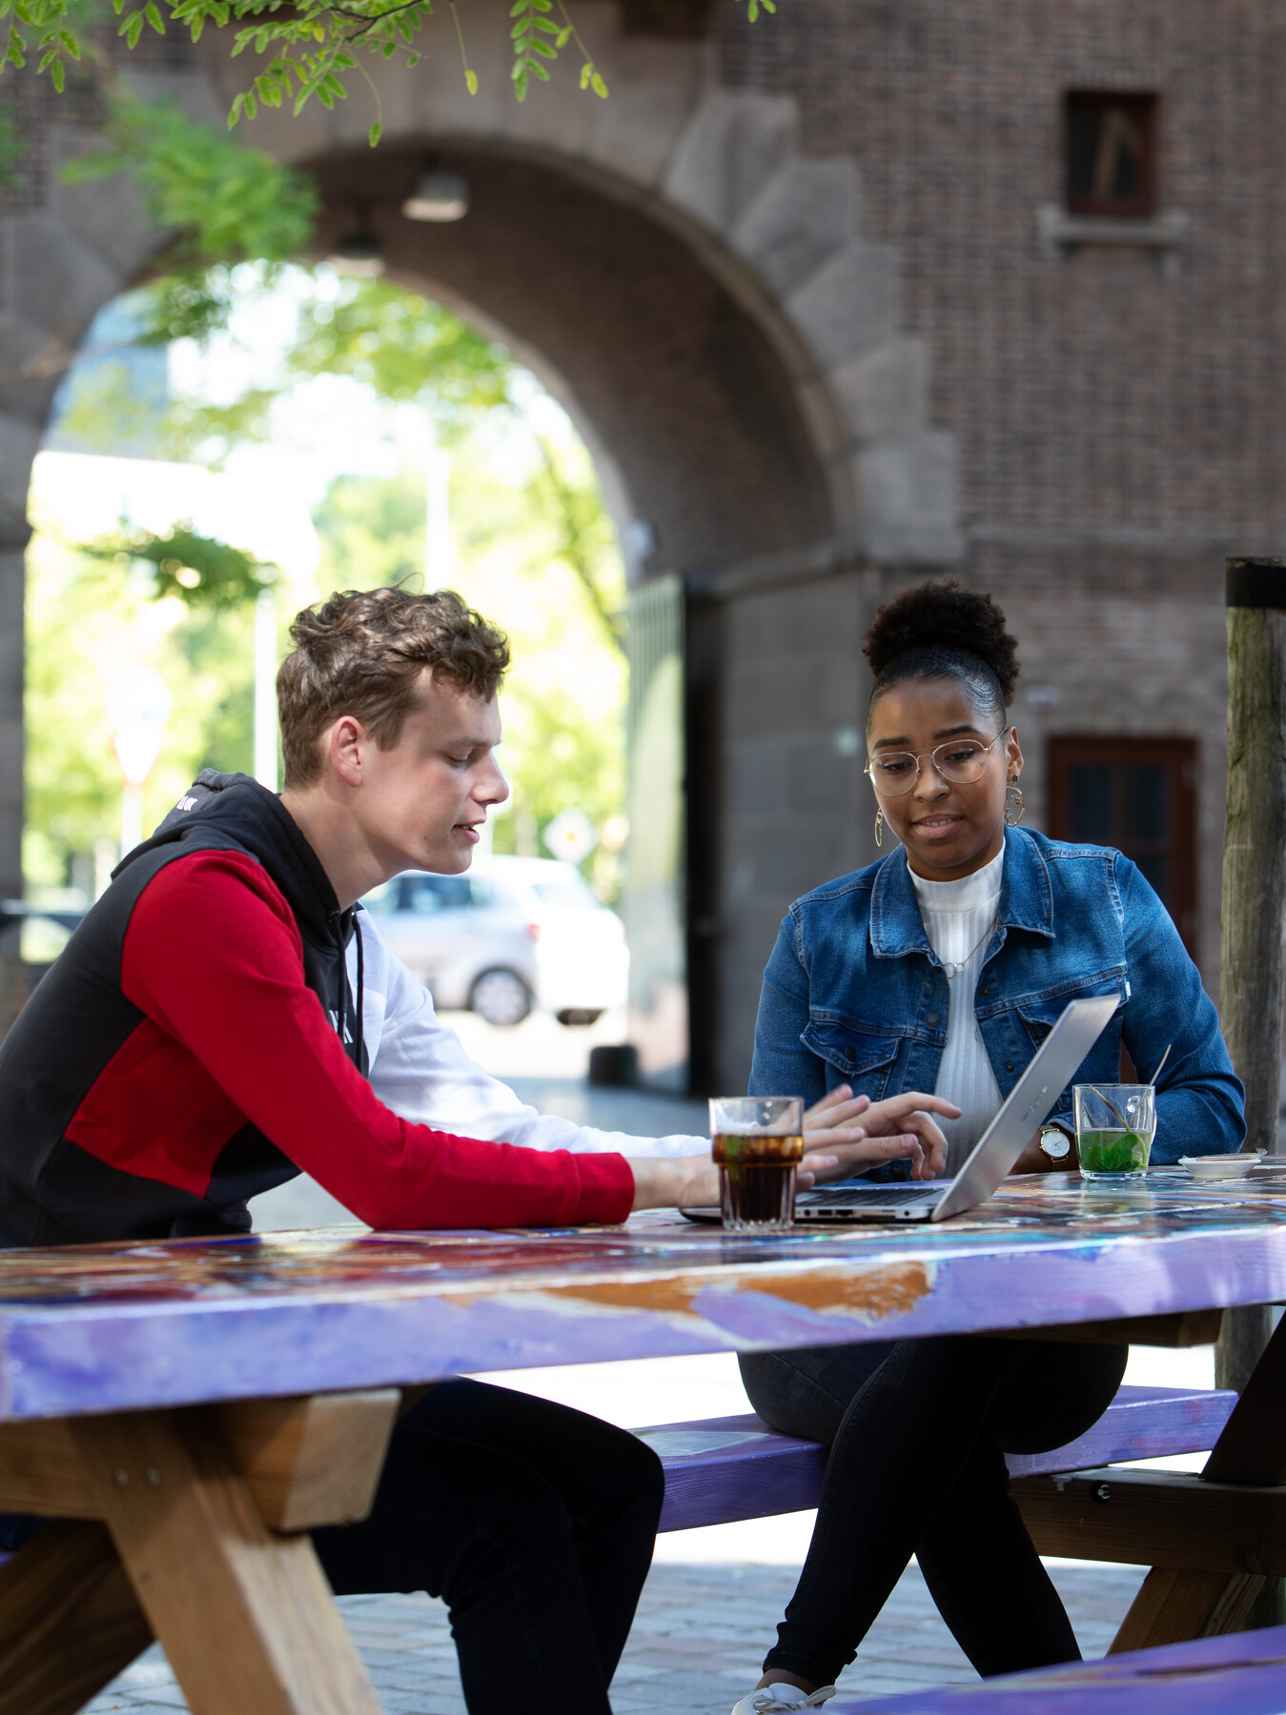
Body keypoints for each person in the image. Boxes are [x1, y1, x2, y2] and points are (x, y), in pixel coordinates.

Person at [0, 585, 956, 1715]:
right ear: (349, 747)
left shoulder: (339, 942)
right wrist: (698, 1174)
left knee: (607, 1478)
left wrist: (765, 1153)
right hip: (55, 1391)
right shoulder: (206, 898)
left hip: (176, 1364)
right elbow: (389, 1175)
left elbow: (501, 1134)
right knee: (509, 1520)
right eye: (460, 756)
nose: (492, 788)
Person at [729, 578, 1245, 1715]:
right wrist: (842, 1141)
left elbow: (1212, 1098)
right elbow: (762, 1163)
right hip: (836, 1315)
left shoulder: (1104, 898)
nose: (926, 786)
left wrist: (1057, 1147)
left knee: (963, 1345)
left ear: (1010, 753)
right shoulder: (817, 933)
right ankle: (1047, 1702)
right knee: (935, 1411)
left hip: (1043, 1324)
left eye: (955, 752)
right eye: (894, 760)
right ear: (870, 778)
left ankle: (794, 1669)